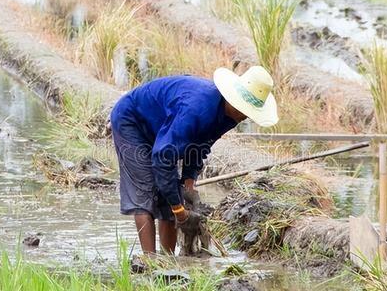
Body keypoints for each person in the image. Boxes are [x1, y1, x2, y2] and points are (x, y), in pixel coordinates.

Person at [109, 65, 278, 255]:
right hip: (132, 121)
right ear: (232, 99)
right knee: (145, 192)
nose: (245, 115)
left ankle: (169, 261)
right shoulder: (197, 108)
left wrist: (189, 183)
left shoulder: (231, 116)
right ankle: (149, 262)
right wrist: (180, 212)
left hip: (162, 129)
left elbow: (201, 144)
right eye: (244, 109)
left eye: (249, 112)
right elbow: (162, 157)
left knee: (171, 193)